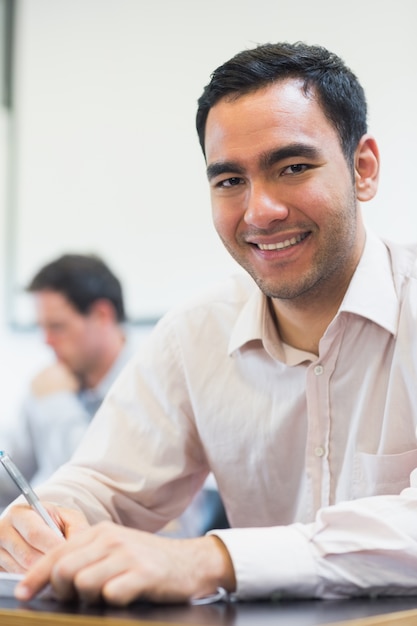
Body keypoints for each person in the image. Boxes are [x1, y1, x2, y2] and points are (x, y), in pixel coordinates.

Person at [1, 41, 417, 605]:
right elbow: (100, 484)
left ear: (363, 168)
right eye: (229, 181)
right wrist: (43, 519)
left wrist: (211, 557)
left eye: (293, 167)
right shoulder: (195, 334)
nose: (260, 211)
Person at [0, 253, 226, 534]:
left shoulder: (157, 383)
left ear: (101, 315)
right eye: (42, 327)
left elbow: (98, 488)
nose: (45, 340)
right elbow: (9, 478)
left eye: (57, 327)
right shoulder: (54, 382)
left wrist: (57, 407)